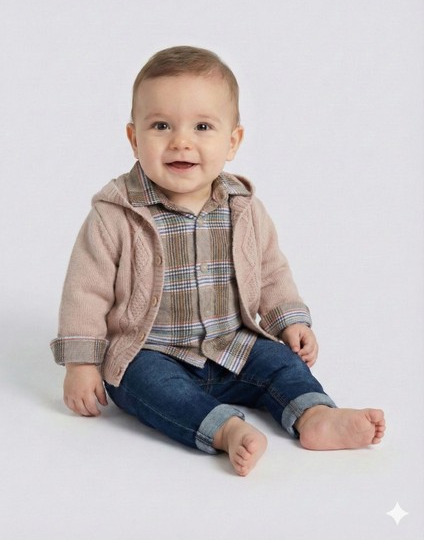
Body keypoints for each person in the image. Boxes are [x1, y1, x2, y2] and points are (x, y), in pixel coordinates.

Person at [51, 46, 385, 476]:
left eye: (203, 126)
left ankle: (315, 416)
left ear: (232, 141)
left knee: (280, 362)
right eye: (161, 126)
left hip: (233, 343)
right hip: (152, 351)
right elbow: (85, 291)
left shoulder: (243, 208)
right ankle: (225, 429)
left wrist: (289, 320)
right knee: (139, 384)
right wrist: (81, 363)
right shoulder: (116, 214)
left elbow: (270, 269)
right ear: (134, 139)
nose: (181, 141)